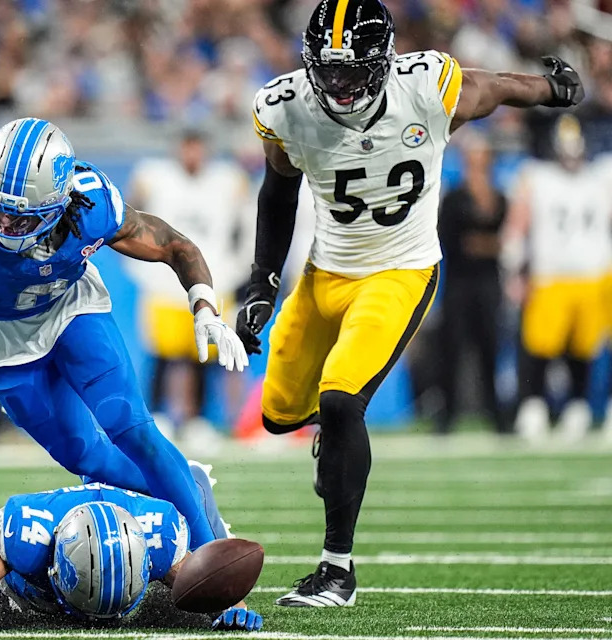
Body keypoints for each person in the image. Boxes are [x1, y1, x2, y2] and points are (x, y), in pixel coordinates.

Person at [235, 0, 583, 607]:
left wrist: (552, 87)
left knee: (342, 398)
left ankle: (336, 572)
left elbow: (495, 87)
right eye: (329, 69)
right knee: (279, 416)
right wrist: (264, 279)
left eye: (352, 70)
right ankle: (336, 439)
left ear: (384, 62)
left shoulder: (425, 89)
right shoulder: (286, 107)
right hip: (324, 275)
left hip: (400, 270)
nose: (339, 85)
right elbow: (278, 190)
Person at [0, 118, 247, 556]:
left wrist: (204, 305)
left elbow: (173, 244)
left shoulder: (91, 202)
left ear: (59, 202)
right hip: (5, 339)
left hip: (73, 306)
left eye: (21, 218)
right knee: (87, 458)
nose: (4, 225)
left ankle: (209, 549)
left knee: (131, 427)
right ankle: (189, 481)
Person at [0, 389, 263, 634]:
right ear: (56, 565)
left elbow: (209, 584)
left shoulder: (157, 533)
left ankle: (189, 484)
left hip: (122, 508)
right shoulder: (27, 533)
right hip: (31, 580)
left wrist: (234, 606)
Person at [125, 129, 250, 449]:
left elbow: (246, 222)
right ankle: (162, 416)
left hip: (212, 278)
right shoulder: (155, 175)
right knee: (166, 354)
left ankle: (198, 420)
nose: (192, 154)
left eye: (197, 147)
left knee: (206, 355)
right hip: (165, 282)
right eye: (187, 147)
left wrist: (237, 268)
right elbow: (128, 210)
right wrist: (139, 265)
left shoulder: (227, 180)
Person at [503, 115, 612, 442]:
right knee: (540, 347)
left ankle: (577, 407)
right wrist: (513, 269)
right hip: (549, 274)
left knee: (585, 348)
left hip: (594, 274)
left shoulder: (602, 176)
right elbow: (517, 227)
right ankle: (534, 407)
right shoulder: (536, 177)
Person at [435, 134, 508, 434]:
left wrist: (484, 244)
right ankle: (448, 414)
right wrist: (486, 244)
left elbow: (502, 242)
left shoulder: (498, 197)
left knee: (490, 347)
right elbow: (452, 240)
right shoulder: (455, 197)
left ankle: (496, 415)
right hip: (460, 284)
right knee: (453, 348)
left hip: (488, 284)